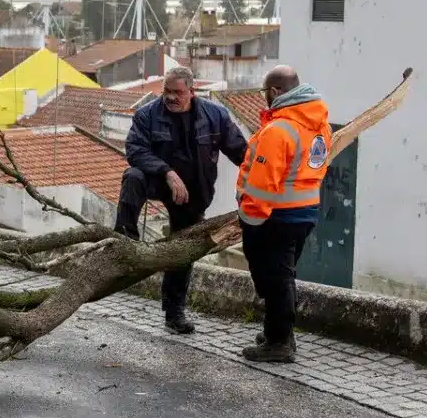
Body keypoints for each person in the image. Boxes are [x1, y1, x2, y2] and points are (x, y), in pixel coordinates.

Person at [119, 67, 248, 333]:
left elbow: (241, 154)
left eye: (178, 92)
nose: (171, 97)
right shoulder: (147, 114)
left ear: (192, 91)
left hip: (194, 193)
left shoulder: (216, 116)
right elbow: (134, 150)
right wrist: (166, 172)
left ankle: (174, 312)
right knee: (132, 176)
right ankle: (123, 240)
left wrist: (258, 182)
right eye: (167, 91)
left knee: (182, 250)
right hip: (158, 180)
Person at [236, 65, 331, 363]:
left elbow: (262, 185)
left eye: (266, 91)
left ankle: (278, 342)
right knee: (283, 276)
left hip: (274, 217)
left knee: (274, 280)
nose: (264, 98)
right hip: (303, 214)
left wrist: (250, 222)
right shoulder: (320, 125)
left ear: (275, 91)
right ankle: (279, 333)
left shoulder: (279, 130)